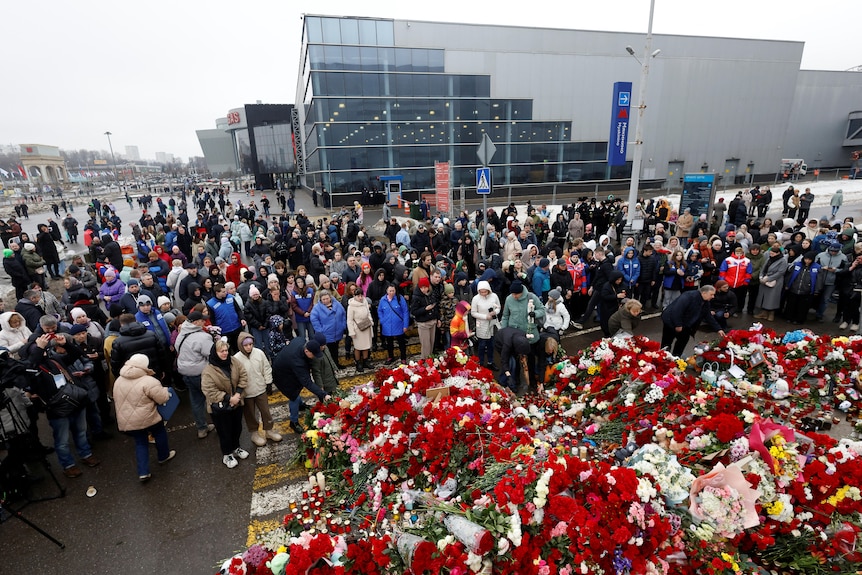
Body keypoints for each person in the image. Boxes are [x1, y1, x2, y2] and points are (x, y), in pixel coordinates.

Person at [24, 332, 101, 478]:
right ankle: (68, 465)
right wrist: (38, 350)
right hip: (57, 409)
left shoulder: (55, 360)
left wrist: (65, 343)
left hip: (75, 402)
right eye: (39, 346)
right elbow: (29, 371)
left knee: (81, 432)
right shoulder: (31, 366)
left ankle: (86, 454)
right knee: (62, 440)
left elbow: (76, 353)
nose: (44, 349)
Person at [113, 354, 176, 482]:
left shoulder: (118, 380)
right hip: (148, 417)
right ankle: (163, 456)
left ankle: (143, 472)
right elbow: (162, 398)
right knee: (159, 432)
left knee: (140, 442)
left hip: (129, 421)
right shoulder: (149, 381)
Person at [201, 339, 249, 469]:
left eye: (226, 350)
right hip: (221, 407)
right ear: (215, 352)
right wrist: (228, 398)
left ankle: (236, 447)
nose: (225, 353)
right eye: (221, 351)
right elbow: (209, 390)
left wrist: (238, 393)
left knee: (237, 427)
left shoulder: (233, 361)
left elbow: (243, 375)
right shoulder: (208, 370)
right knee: (224, 431)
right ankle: (227, 454)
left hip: (237, 402)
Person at [272, 337, 331, 434]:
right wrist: (324, 394)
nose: (315, 357)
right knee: (293, 395)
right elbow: (307, 382)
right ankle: (293, 421)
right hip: (282, 376)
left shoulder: (301, 341)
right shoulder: (298, 362)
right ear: (307, 351)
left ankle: (300, 405)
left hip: (287, 367)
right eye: (314, 355)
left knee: (297, 389)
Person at [233, 332, 280, 447]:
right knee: (250, 414)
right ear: (240, 346)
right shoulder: (236, 359)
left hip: (260, 389)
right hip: (247, 393)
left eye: (251, 344)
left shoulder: (259, 353)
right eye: (246, 345)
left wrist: (268, 382)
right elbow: (235, 377)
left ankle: (269, 430)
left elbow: (266, 368)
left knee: (265, 411)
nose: (249, 347)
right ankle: (254, 433)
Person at [175, 311, 217, 439]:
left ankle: (202, 428)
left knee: (196, 401)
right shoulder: (202, 337)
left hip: (185, 373)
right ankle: (220, 425)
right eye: (202, 320)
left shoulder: (181, 334)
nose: (204, 322)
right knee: (213, 399)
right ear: (195, 322)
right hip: (201, 373)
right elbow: (212, 354)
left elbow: (177, 348)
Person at [660, 285, 725, 357]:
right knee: (667, 342)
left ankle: (676, 358)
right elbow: (677, 310)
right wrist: (678, 324)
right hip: (671, 321)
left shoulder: (705, 302)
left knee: (682, 342)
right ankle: (663, 358)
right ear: (704, 293)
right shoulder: (688, 297)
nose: (713, 297)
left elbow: (708, 316)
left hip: (686, 324)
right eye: (711, 294)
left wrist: (718, 329)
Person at [784, 251, 824, 325]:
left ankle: (799, 319)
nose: (807, 261)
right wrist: (787, 284)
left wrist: (817, 290)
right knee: (791, 304)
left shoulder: (817, 267)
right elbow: (790, 275)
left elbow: (819, 280)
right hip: (794, 288)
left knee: (802, 306)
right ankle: (789, 317)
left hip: (806, 291)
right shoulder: (797, 265)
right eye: (806, 259)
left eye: (809, 259)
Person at [310, 289, 347, 366]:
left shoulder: (337, 304)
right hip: (326, 334)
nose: (326, 300)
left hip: (337, 332)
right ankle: (329, 366)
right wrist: (321, 330)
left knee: (335, 350)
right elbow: (314, 320)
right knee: (327, 352)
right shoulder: (317, 308)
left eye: (327, 298)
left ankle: (336, 364)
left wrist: (343, 325)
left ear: (330, 297)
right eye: (323, 299)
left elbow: (343, 314)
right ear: (320, 299)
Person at [753, 245, 788, 321]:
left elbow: (780, 272)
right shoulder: (769, 259)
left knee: (772, 298)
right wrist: (761, 276)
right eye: (770, 253)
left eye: (773, 253)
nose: (771, 254)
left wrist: (769, 278)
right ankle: (764, 313)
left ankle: (771, 314)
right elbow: (763, 268)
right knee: (764, 297)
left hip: (775, 281)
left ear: (778, 253)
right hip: (765, 280)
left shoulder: (783, 261)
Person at [470, 280, 501, 369]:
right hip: (481, 323)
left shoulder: (494, 296)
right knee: (482, 345)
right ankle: (481, 362)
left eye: (485, 291)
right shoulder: (476, 298)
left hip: (492, 323)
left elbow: (498, 307)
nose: (483, 293)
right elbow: (473, 313)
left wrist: (495, 312)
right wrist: (485, 317)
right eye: (481, 292)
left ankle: (491, 362)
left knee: (491, 344)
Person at [377, 284, 410, 365]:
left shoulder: (400, 298)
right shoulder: (383, 299)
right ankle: (390, 356)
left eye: (393, 291)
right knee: (389, 343)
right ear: (387, 291)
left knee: (401, 342)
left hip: (398, 324)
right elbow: (380, 310)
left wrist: (405, 325)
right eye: (390, 291)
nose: (391, 292)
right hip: (387, 325)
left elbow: (405, 311)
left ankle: (403, 358)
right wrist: (382, 320)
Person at [410, 276, 439, 358]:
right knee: (426, 345)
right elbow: (413, 311)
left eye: (425, 287)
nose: (423, 289)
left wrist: (438, 318)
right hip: (423, 323)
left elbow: (435, 306)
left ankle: (430, 362)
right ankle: (425, 363)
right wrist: (425, 309)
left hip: (432, 321)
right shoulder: (416, 297)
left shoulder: (431, 294)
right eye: (421, 287)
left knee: (431, 343)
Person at [346, 289, 374, 371]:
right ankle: (358, 362)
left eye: (362, 295)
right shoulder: (351, 306)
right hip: (357, 329)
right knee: (358, 347)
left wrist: (370, 321)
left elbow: (368, 313)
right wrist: (351, 331)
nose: (360, 298)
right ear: (354, 296)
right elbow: (349, 320)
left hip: (366, 326)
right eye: (358, 296)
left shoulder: (365, 302)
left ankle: (365, 361)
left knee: (366, 345)